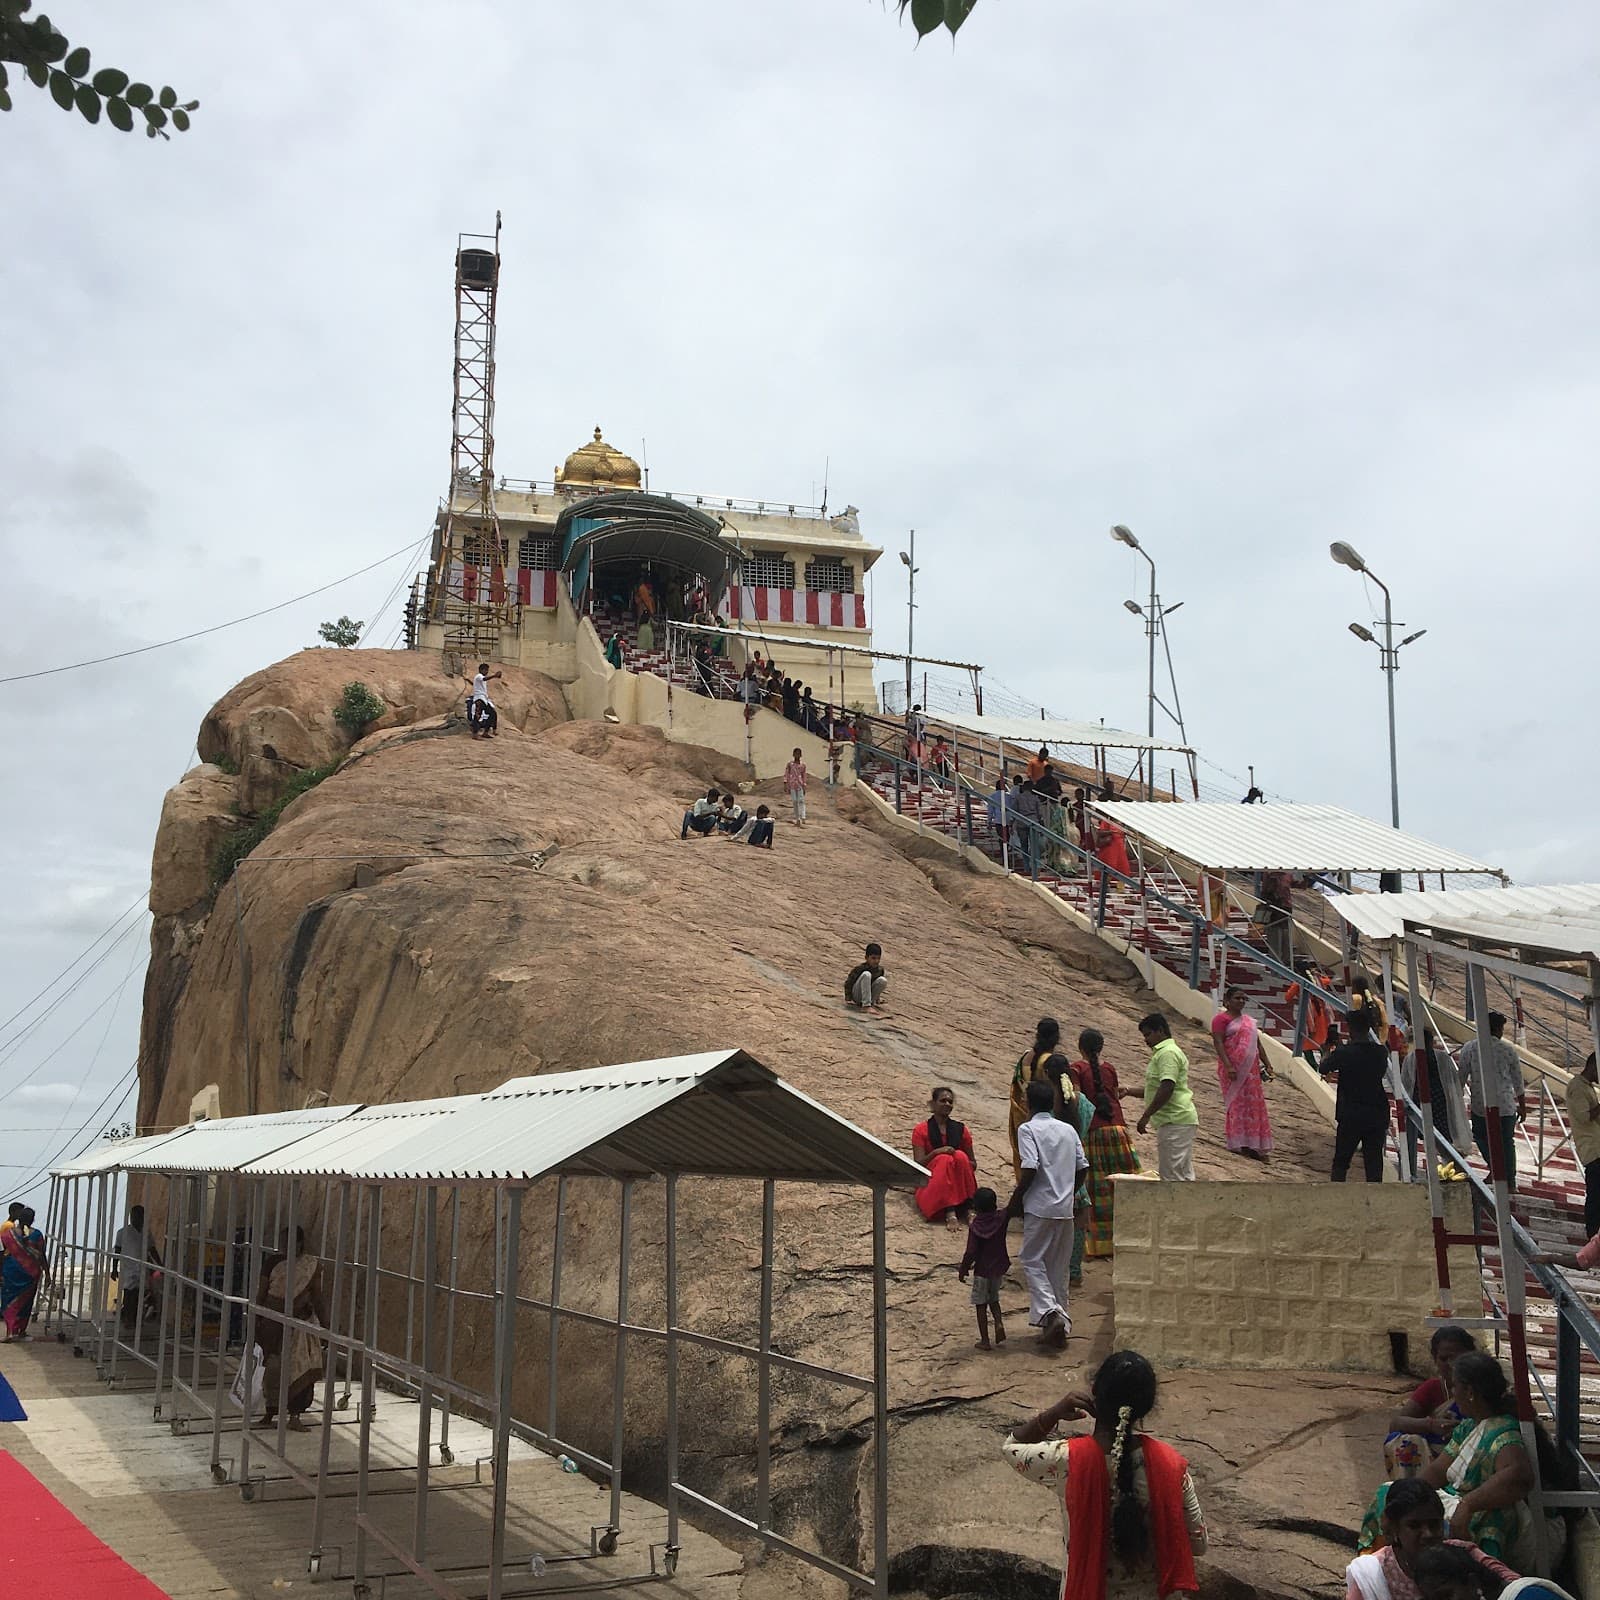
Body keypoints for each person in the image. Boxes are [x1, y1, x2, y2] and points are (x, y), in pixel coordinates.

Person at [1002, 1350, 1206, 1592]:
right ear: (1146, 1408)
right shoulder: (1170, 1464)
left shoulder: (1067, 1459)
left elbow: (1011, 1447)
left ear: (1095, 1392)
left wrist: (1054, 1413)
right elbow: (1198, 1544)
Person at [1361, 1351, 1569, 1571]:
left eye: (1455, 1387)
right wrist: (1407, 1495)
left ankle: (1476, 1579)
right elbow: (1438, 1470)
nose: (1452, 1393)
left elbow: (1519, 1475)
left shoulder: (1504, 1430)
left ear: (1469, 1392)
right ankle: (1385, 1570)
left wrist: (1468, 1505)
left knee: (1485, 1520)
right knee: (1388, 1494)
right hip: (1460, 1500)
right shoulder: (1469, 1426)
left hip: (1498, 1517)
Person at [1007, 1078, 1088, 1345]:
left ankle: (1051, 1313)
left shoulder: (1028, 1129)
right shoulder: (1068, 1130)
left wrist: (1015, 1202)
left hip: (1039, 1207)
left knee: (1031, 1260)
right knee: (1058, 1269)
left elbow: (1030, 1167)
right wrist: (1069, 1192)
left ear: (1028, 1103)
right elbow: (1083, 1167)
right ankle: (1059, 1328)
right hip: (1065, 1209)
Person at [1071, 1029, 1142, 1260]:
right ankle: (1133, 1235)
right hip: (1118, 1131)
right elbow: (1112, 1094)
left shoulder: (1076, 1069)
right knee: (1124, 1185)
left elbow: (1077, 1100)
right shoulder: (1109, 1068)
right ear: (1101, 1047)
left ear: (1080, 1046)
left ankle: (1098, 1244)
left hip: (1093, 1132)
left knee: (1096, 1189)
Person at [257, 1229, 330, 1431]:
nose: (286, 1247)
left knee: (301, 1368)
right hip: (273, 1322)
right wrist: (256, 1319)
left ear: (299, 1244)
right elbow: (261, 1293)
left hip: (300, 1324)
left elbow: (317, 1297)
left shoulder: (309, 1265)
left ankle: (295, 1415)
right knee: (272, 1368)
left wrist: (326, 1327)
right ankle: (270, 1411)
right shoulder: (273, 1263)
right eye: (283, 1242)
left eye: (291, 1243)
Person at [1382, 1326, 1476, 1480]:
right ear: (1435, 1359)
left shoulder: (1481, 1385)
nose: (1450, 1364)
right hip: (1439, 1457)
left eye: (1456, 1358)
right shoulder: (1434, 1388)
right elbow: (1396, 1423)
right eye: (1443, 1359)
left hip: (1473, 1454)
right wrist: (1431, 1425)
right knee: (1404, 1442)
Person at [1323, 1016, 1393, 1183]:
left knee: (1341, 1162)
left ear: (1350, 1029)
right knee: (1374, 1163)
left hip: (1350, 1113)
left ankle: (1337, 1193)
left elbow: (1324, 1067)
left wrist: (1329, 1049)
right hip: (1376, 1113)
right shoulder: (1380, 1052)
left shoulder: (1344, 1052)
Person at [1130, 1014, 1199, 1182]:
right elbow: (1156, 1089)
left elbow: (1167, 1086)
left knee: (1172, 1176)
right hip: (1176, 1120)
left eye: (1148, 1034)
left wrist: (1146, 1115)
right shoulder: (1164, 1053)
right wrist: (1129, 1091)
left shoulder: (1168, 1053)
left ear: (1160, 1031)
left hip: (1174, 1120)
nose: (1146, 1040)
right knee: (1181, 1174)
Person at [1460, 1013, 1523, 1190]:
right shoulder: (1508, 1049)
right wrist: (1523, 1106)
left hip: (1481, 1105)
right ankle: (1509, 1180)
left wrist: (1457, 1099)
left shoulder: (1470, 1048)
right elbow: (1518, 1081)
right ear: (1497, 1029)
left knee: (1482, 1137)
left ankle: (1496, 1170)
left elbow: (1461, 1076)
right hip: (1505, 1105)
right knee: (1506, 1142)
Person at [1210, 987, 1274, 1162]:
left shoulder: (1248, 1022)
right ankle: (1240, 1143)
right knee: (1237, 1105)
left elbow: (1257, 1044)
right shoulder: (1220, 1020)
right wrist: (1229, 1066)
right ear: (1227, 1000)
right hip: (1232, 1070)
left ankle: (1255, 1144)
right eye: (1237, 998)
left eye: (1243, 999)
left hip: (1251, 1072)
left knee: (1253, 1106)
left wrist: (1268, 1064)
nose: (1241, 1001)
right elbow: (1218, 1043)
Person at [1010, 1017, 1073, 1183]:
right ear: (1057, 1037)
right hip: (1046, 1117)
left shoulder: (1026, 1057)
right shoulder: (1050, 1062)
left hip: (1027, 1114)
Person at [912, 1086, 977, 1226]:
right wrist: (936, 1153)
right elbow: (918, 1164)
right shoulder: (921, 1130)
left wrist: (959, 1164)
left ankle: (969, 1208)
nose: (947, 1104)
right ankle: (949, 1210)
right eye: (943, 1101)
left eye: (950, 1102)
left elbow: (973, 1163)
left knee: (960, 1155)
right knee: (943, 1159)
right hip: (931, 1183)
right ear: (933, 1104)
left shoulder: (961, 1129)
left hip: (958, 1182)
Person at [959, 1188, 1010, 1351]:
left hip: (982, 1270)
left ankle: (985, 1340)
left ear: (976, 1206)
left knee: (980, 1304)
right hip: (998, 1268)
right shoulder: (1001, 1218)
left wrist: (963, 1269)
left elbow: (971, 1252)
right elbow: (1012, 1206)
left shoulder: (975, 1226)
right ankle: (999, 1323)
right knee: (994, 1299)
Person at [112, 1203, 162, 1337]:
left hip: (142, 1268)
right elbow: (117, 1251)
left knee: (140, 1294)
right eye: (134, 1216)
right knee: (129, 1293)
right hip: (128, 1268)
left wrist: (160, 1265)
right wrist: (114, 1269)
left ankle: (135, 1319)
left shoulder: (146, 1233)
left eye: (139, 1216)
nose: (136, 1219)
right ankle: (128, 1319)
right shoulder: (122, 1233)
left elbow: (152, 1250)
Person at [1564, 1053, 1600, 1238]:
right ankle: (1592, 1234)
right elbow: (1584, 1116)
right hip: (1592, 1149)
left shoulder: (1587, 1087)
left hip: (1596, 1146)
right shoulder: (1577, 1087)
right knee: (1595, 1196)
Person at [0, 1206, 46, 1341]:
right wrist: (47, 1273)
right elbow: (42, 1255)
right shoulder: (37, 1235)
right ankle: (21, 1331)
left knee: (9, 1302)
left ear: (19, 1219)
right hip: (31, 1274)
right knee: (26, 1302)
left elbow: (1, 1254)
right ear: (32, 1220)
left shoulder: (7, 1235)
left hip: (11, 1272)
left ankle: (10, 1332)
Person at [1287, 959, 1333, 1069]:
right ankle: (1325, 1065)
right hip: (1320, 1014)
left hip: (1307, 1015)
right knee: (1322, 1042)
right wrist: (1318, 974)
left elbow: (1288, 997)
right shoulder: (1318, 980)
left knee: (1306, 1043)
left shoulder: (1298, 983)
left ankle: (1313, 1067)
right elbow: (1328, 980)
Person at [465, 662, 503, 738]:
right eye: (486, 670)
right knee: (477, 715)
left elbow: (476, 685)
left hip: (484, 699)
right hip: (479, 699)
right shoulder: (479, 676)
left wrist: (469, 681)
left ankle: (486, 732)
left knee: (492, 713)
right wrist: (494, 676)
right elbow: (484, 679)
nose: (487, 672)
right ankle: (475, 734)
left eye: (487, 670)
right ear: (481, 670)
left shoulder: (480, 679)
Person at [845, 943, 888, 1009]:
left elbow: (877, 985)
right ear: (866, 958)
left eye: (878, 958)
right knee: (866, 974)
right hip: (857, 996)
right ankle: (866, 1006)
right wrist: (848, 998)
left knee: (883, 980)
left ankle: (871, 1003)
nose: (876, 961)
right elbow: (849, 983)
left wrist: (877, 999)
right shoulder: (860, 968)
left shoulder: (880, 970)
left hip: (869, 996)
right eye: (873, 958)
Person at [986, 777, 1010, 861]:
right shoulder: (1008, 796)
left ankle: (1004, 856)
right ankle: (1005, 854)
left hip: (999, 820)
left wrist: (989, 822)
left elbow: (990, 811)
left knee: (1002, 838)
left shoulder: (993, 796)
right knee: (1006, 838)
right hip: (1008, 819)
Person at [784, 748, 809, 826]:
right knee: (794, 801)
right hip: (792, 784)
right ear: (793, 754)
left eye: (798, 754)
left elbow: (804, 775)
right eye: (796, 754)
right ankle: (797, 818)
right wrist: (785, 783)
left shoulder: (803, 765)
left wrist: (804, 784)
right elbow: (787, 774)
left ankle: (803, 816)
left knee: (801, 800)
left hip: (800, 784)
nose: (797, 755)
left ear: (801, 755)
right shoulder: (790, 764)